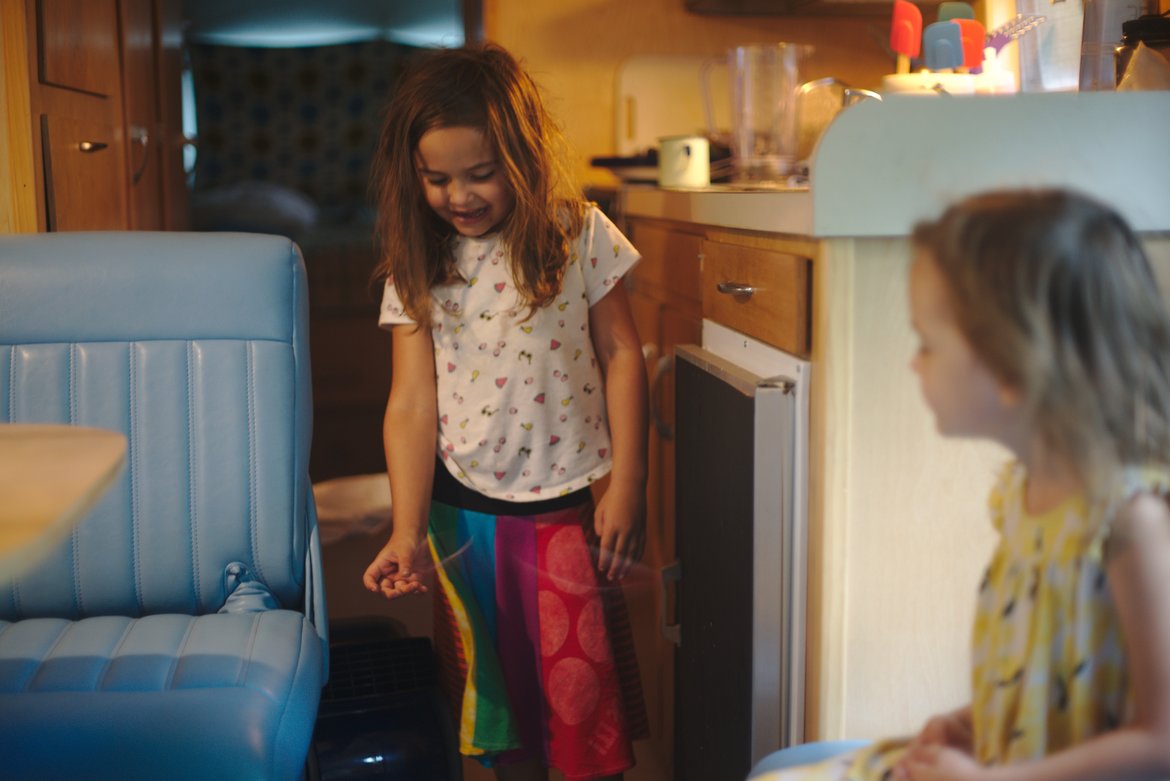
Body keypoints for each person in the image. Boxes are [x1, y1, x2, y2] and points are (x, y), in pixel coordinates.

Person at [761, 189, 1170, 781]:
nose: (913, 363)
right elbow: (1048, 681)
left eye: (927, 343)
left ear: (1011, 366)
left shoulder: (1133, 522)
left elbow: (1160, 743)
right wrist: (973, 721)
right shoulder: (1022, 499)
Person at [361, 43, 649, 781]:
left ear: (520, 155)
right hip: (461, 514)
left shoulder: (578, 234)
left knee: (581, 692)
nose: (459, 194)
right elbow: (411, 400)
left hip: (562, 503)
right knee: (491, 696)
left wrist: (627, 482)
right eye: (437, 178)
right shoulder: (418, 261)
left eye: (479, 173)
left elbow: (622, 354)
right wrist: (405, 527)